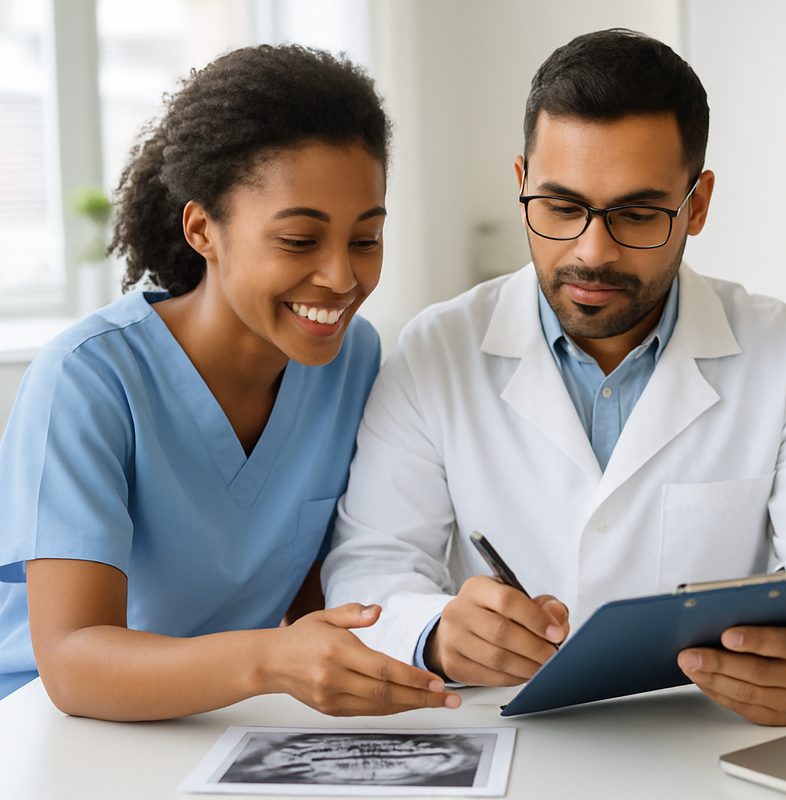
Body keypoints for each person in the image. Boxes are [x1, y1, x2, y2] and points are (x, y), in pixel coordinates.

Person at [323, 28, 786, 727]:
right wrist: (437, 632)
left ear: (697, 205)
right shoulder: (436, 352)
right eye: (561, 208)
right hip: (504, 738)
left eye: (636, 214)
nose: (591, 252)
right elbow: (370, 568)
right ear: (521, 185)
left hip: (698, 744)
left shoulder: (784, 351)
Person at [0, 45, 460, 718]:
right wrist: (273, 659)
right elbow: (72, 661)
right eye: (300, 241)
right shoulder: (89, 379)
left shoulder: (349, 358)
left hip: (215, 719)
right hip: (47, 726)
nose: (341, 277)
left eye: (366, 240)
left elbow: (317, 602)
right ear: (202, 230)